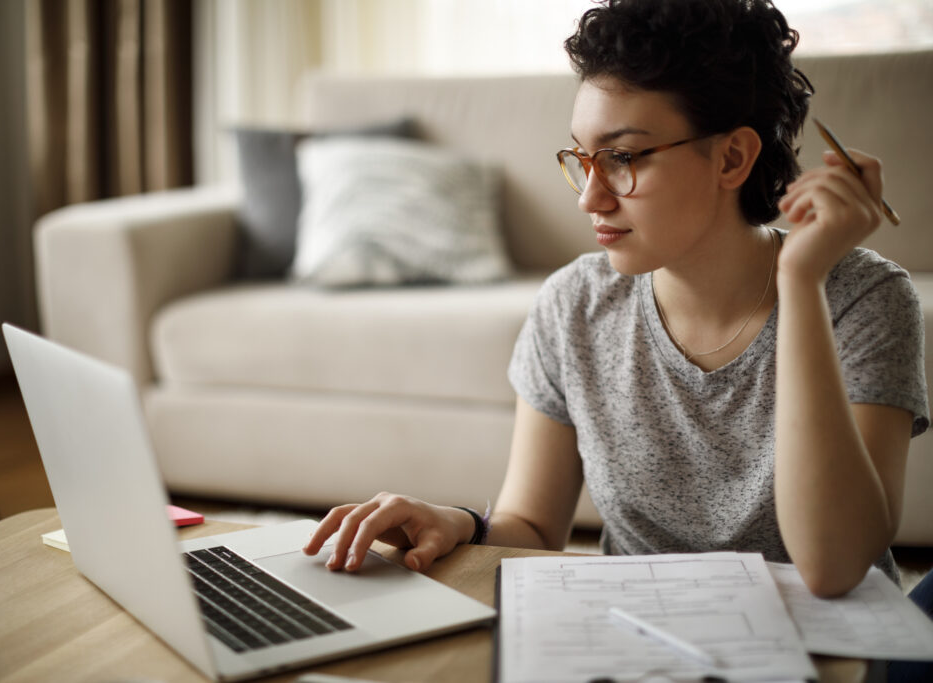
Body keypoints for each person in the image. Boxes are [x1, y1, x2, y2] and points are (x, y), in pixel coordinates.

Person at [302, 0, 929, 600]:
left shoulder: (864, 299)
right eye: (583, 158)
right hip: (632, 642)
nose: (590, 198)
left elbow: (835, 568)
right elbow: (536, 530)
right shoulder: (574, 303)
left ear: (733, 157)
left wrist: (801, 284)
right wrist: (459, 522)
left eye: (624, 157)